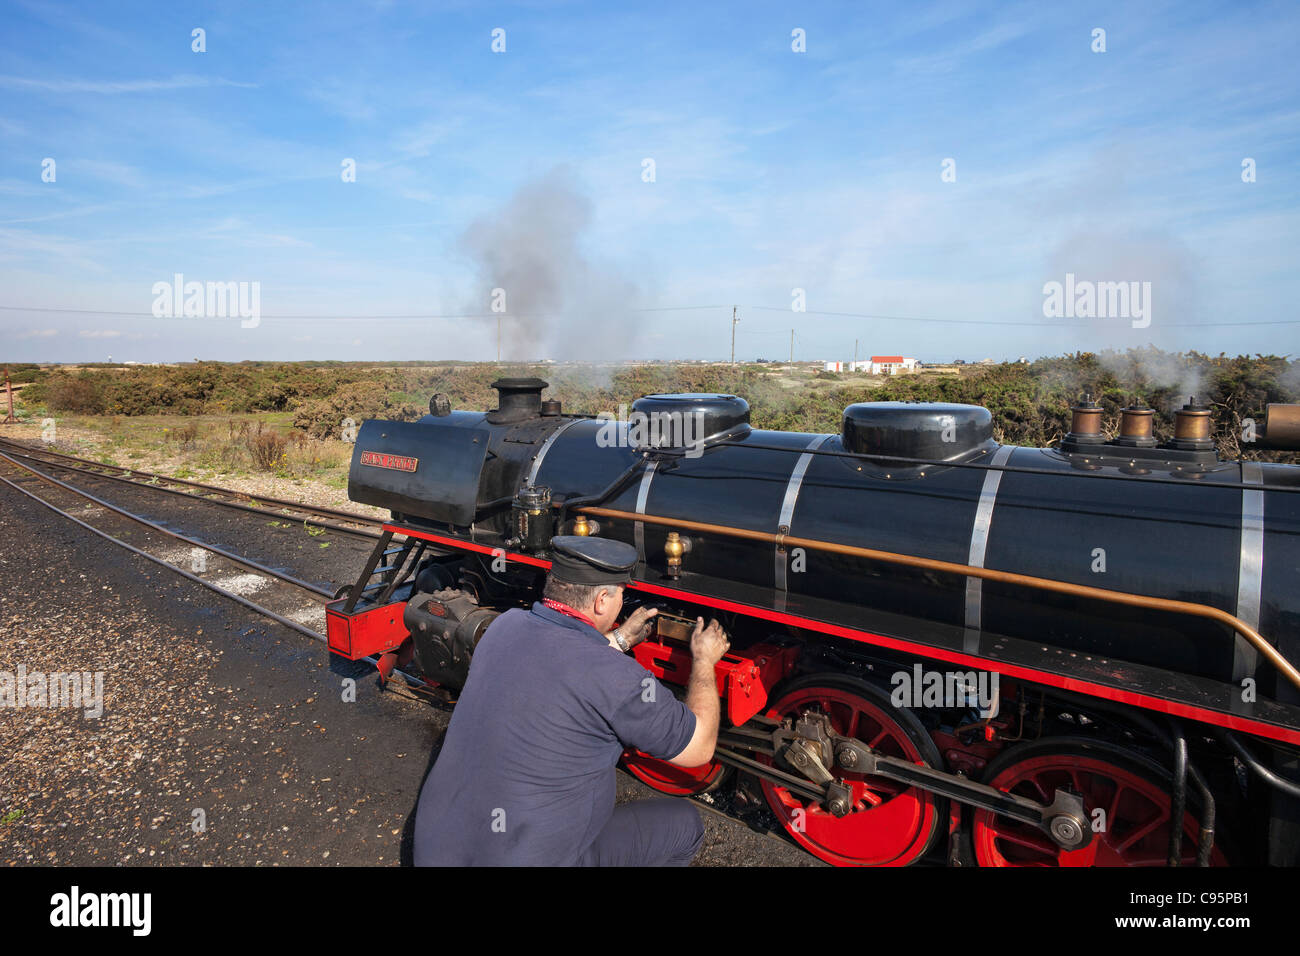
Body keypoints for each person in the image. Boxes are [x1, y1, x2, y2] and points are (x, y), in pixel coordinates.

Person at [412, 535, 729, 866]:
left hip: (437, 854)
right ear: (602, 601)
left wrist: (619, 639)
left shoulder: (504, 626)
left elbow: (560, 660)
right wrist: (704, 660)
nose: (623, 601)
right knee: (685, 825)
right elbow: (700, 748)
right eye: (622, 594)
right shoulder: (616, 677)